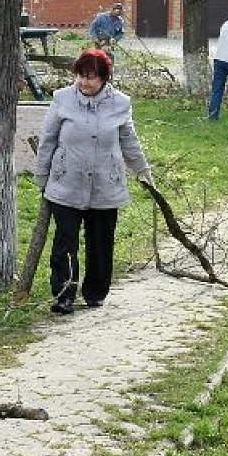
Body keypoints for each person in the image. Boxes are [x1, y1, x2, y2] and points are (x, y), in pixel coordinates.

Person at [34, 48, 152, 314]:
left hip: (105, 185)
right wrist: (42, 176)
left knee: (101, 241)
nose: (84, 82)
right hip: (67, 183)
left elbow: (128, 141)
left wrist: (142, 170)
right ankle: (64, 295)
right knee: (65, 242)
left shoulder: (121, 103)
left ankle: (96, 292)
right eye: (80, 76)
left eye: (91, 77)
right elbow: (48, 140)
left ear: (104, 79)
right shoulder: (62, 99)